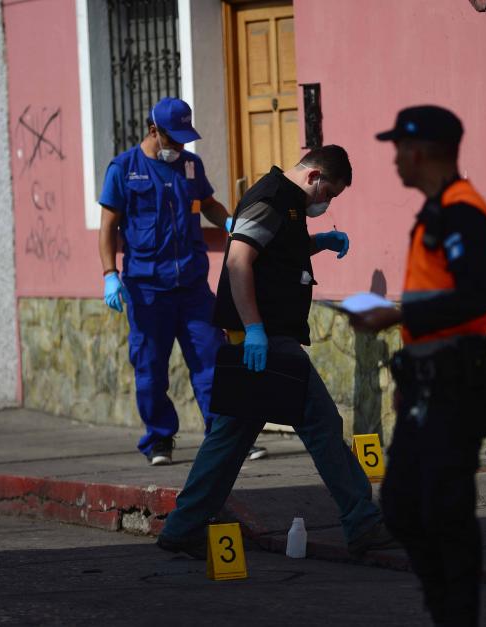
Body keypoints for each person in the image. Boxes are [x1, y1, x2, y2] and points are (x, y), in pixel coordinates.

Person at [156, 145, 396, 558]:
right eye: (329, 194)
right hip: (267, 338)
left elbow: (275, 252)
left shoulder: (286, 204)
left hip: (269, 335)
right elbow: (238, 261)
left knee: (232, 436)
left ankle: (183, 526)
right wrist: (254, 330)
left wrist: (318, 242)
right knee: (321, 423)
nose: (328, 203)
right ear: (314, 176)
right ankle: (363, 522)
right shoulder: (271, 198)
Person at [353, 105, 486, 626]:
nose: (393, 158)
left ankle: (456, 616)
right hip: (426, 382)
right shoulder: (437, 210)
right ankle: (445, 609)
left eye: (397, 148)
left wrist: (396, 313)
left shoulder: (461, 210)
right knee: (399, 505)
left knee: (445, 511)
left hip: (455, 384)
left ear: (418, 151)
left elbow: (476, 296)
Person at [98, 96, 266, 466]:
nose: (180, 146)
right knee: (150, 371)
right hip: (147, 290)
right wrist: (110, 274)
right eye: (174, 138)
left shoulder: (191, 165)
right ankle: (159, 439)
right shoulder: (124, 169)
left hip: (192, 287)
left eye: (185, 139)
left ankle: (225, 436)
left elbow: (207, 202)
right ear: (153, 130)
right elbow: (108, 225)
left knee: (212, 363)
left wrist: (228, 223)